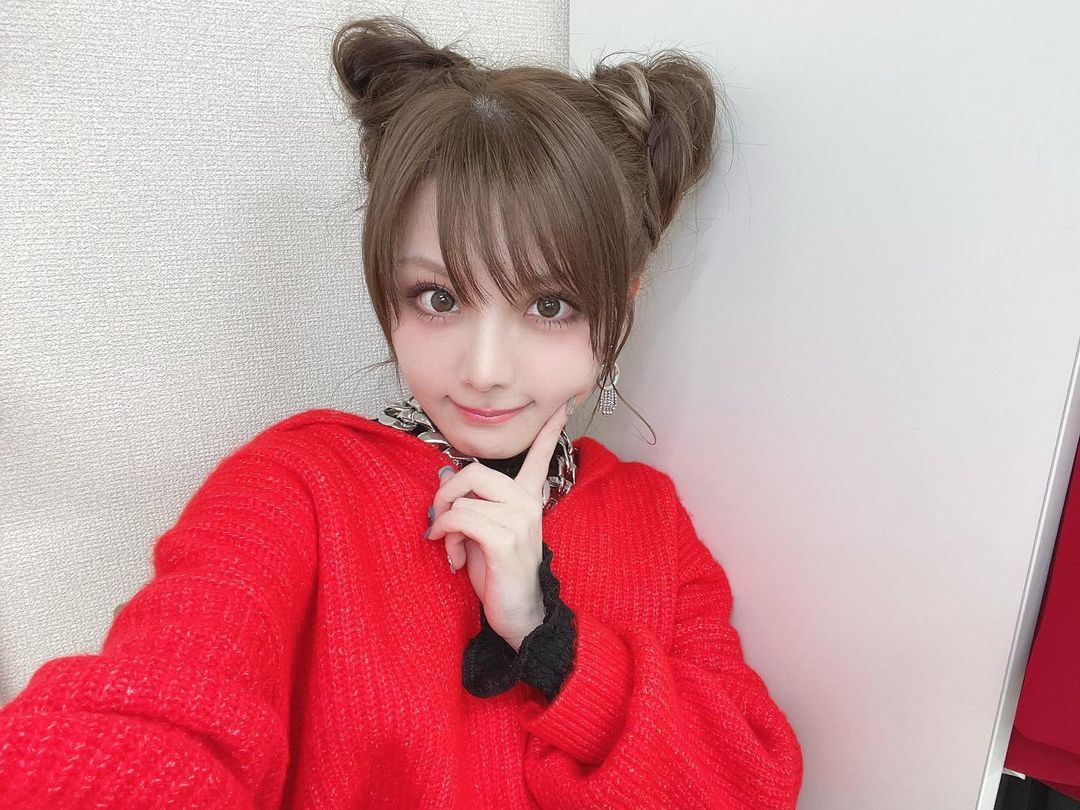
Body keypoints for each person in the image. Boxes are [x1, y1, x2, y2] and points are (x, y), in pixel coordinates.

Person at [0, 15, 803, 808]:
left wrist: (550, 639)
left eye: (550, 304)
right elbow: (159, 714)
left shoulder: (651, 523)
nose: (485, 371)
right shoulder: (297, 488)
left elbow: (750, 785)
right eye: (440, 297)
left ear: (621, 301)